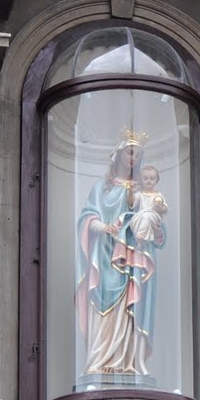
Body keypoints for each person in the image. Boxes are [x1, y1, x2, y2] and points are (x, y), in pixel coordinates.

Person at [75, 132, 166, 379]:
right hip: (106, 256)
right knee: (106, 309)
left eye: (138, 154)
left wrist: (155, 226)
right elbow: (86, 218)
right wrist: (104, 228)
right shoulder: (101, 188)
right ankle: (100, 360)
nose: (133, 158)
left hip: (135, 259)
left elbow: (157, 231)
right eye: (129, 151)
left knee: (132, 308)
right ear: (117, 155)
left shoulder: (145, 193)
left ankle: (130, 363)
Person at [126, 164, 169, 246]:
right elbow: (132, 203)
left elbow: (165, 209)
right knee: (141, 218)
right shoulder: (140, 194)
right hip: (142, 216)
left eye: (152, 179)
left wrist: (159, 207)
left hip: (154, 216)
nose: (149, 181)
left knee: (147, 216)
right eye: (145, 179)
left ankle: (140, 237)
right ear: (141, 181)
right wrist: (130, 191)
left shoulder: (158, 195)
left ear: (156, 180)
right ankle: (151, 236)